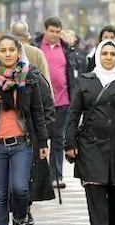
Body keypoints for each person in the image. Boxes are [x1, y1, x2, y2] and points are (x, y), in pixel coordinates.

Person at [0, 34, 49, 225]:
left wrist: (43, 141)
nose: (8, 54)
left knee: (20, 189)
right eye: (3, 50)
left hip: (22, 143)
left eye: (11, 50)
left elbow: (38, 111)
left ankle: (20, 216)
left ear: (18, 52)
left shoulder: (29, 75)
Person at [64, 39, 115, 225]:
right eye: (104, 53)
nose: (109, 57)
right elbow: (73, 113)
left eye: (113, 54)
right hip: (91, 147)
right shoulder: (84, 80)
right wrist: (70, 142)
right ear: (98, 55)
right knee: (96, 202)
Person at [10, 20, 56, 225]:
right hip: (8, 133)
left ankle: (22, 211)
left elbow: (41, 85)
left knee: (24, 176)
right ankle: (21, 211)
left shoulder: (32, 64)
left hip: (29, 130)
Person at [32, 17, 76, 189]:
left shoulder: (65, 49)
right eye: (52, 31)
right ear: (45, 30)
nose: (55, 35)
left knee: (58, 139)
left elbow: (71, 72)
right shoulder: (36, 47)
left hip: (63, 101)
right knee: (40, 139)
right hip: (41, 101)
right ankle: (37, 176)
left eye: (58, 32)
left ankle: (56, 175)